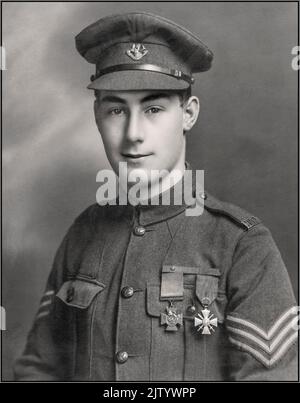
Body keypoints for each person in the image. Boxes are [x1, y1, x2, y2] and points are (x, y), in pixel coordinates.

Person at [14, 12, 298, 381]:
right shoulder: (84, 233)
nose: (133, 134)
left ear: (188, 115)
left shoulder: (240, 244)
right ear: (97, 116)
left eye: (153, 109)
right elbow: (39, 370)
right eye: (116, 109)